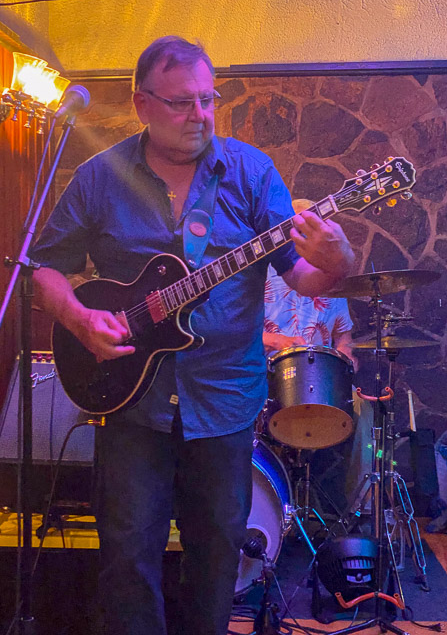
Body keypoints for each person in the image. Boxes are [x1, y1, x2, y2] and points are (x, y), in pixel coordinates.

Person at [30, 37, 354, 635]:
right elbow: (44, 268)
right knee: (127, 556)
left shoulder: (251, 172)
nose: (200, 115)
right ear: (142, 104)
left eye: (208, 100)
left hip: (224, 400)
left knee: (216, 557)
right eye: (182, 103)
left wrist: (337, 260)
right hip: (130, 402)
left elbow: (303, 275)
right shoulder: (100, 176)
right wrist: (78, 318)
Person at [263, 198, 371, 510]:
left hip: (322, 386)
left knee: (364, 410)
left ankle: (359, 509)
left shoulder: (332, 285)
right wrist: (277, 341)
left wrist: (346, 360)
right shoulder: (261, 276)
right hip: (270, 382)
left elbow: (344, 339)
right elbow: (234, 334)